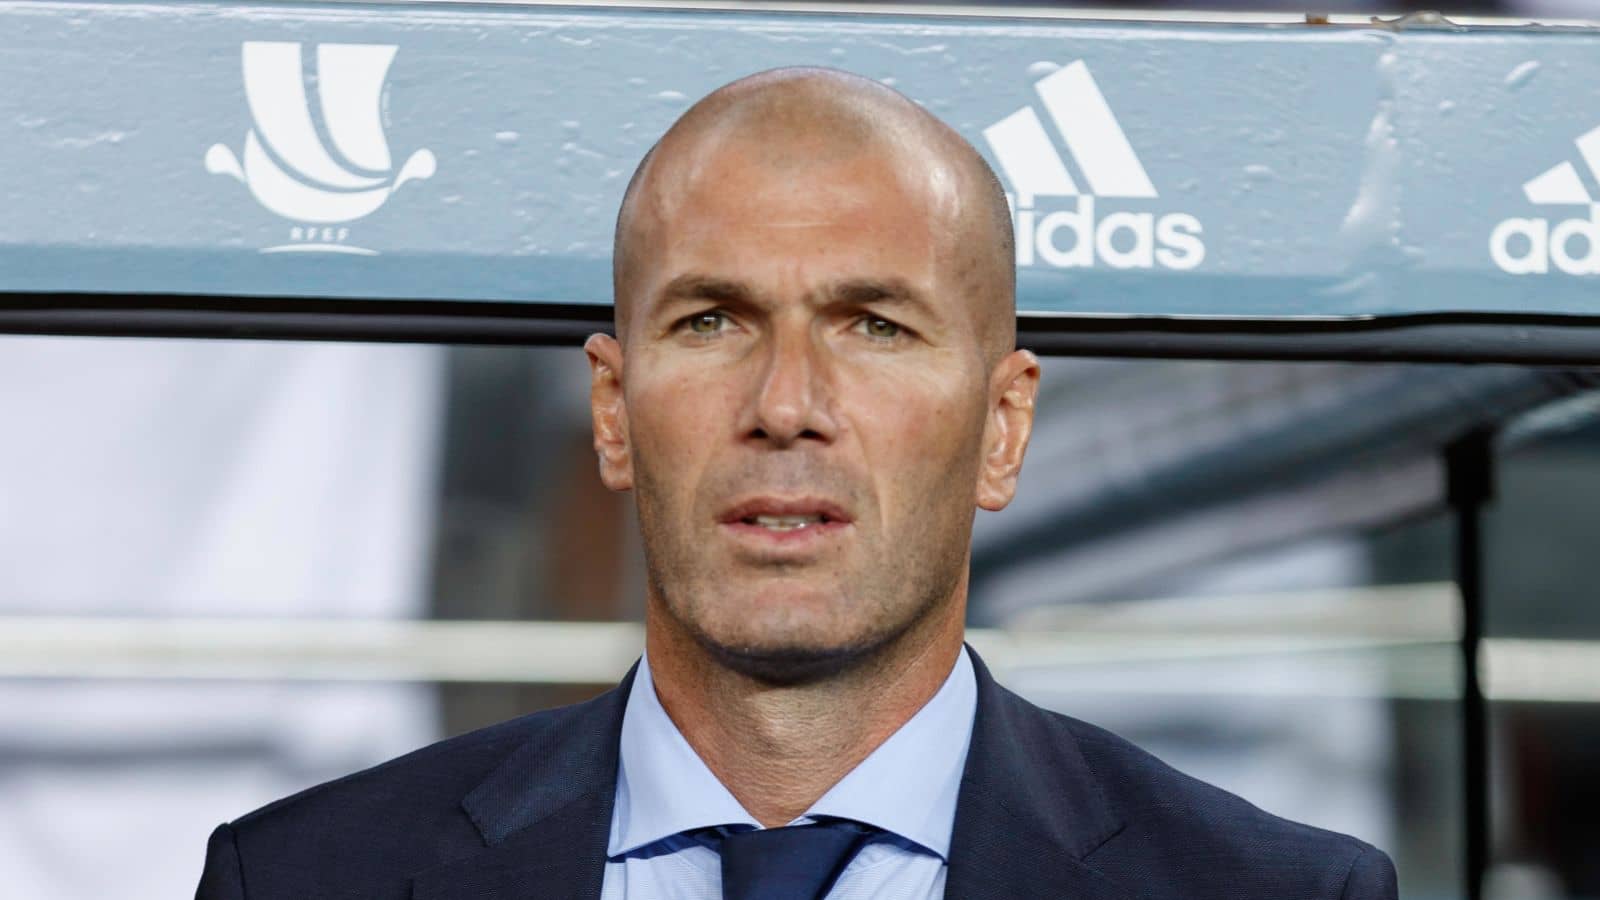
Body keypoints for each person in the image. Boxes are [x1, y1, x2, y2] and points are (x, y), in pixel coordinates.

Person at [195, 67, 1398, 900]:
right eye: (713, 320)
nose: (785, 403)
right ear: (612, 413)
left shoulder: (1274, 891)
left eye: (872, 326)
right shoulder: (308, 876)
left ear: (1002, 426)